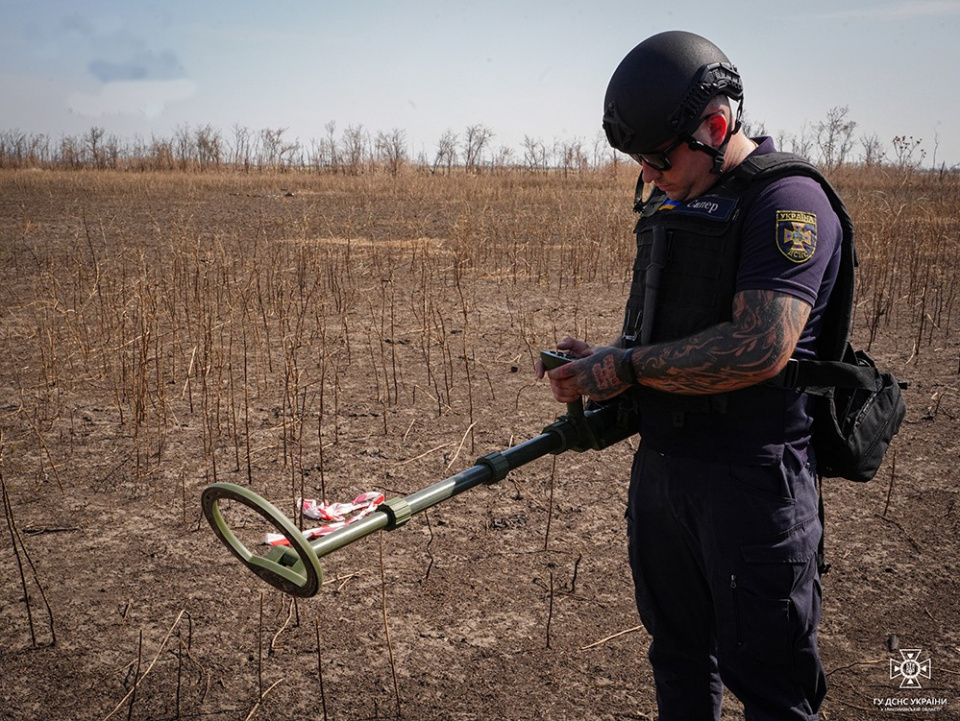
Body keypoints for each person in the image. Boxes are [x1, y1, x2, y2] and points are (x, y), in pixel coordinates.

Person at [539, 30, 849, 721]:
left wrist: (623, 366)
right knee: (679, 658)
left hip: (751, 481)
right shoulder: (673, 199)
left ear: (715, 127)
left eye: (658, 156)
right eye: (638, 160)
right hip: (665, 474)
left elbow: (758, 346)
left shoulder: (787, 201)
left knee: (770, 684)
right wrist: (596, 360)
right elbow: (651, 335)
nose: (648, 173)